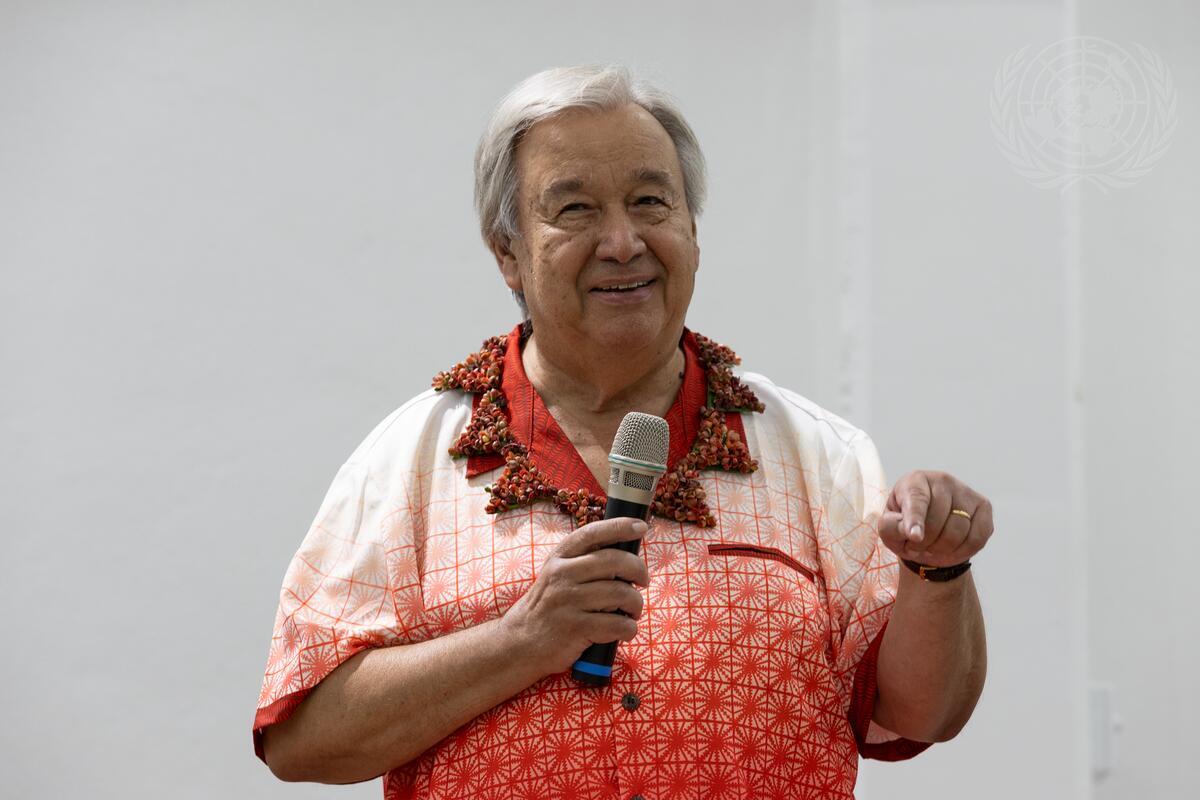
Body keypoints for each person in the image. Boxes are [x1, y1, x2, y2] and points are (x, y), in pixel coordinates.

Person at [251, 64, 992, 800]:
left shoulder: (815, 454)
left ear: (691, 230)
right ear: (507, 252)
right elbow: (301, 738)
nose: (622, 241)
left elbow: (923, 713)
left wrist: (938, 570)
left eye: (650, 202)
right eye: (575, 210)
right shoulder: (409, 464)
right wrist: (520, 641)